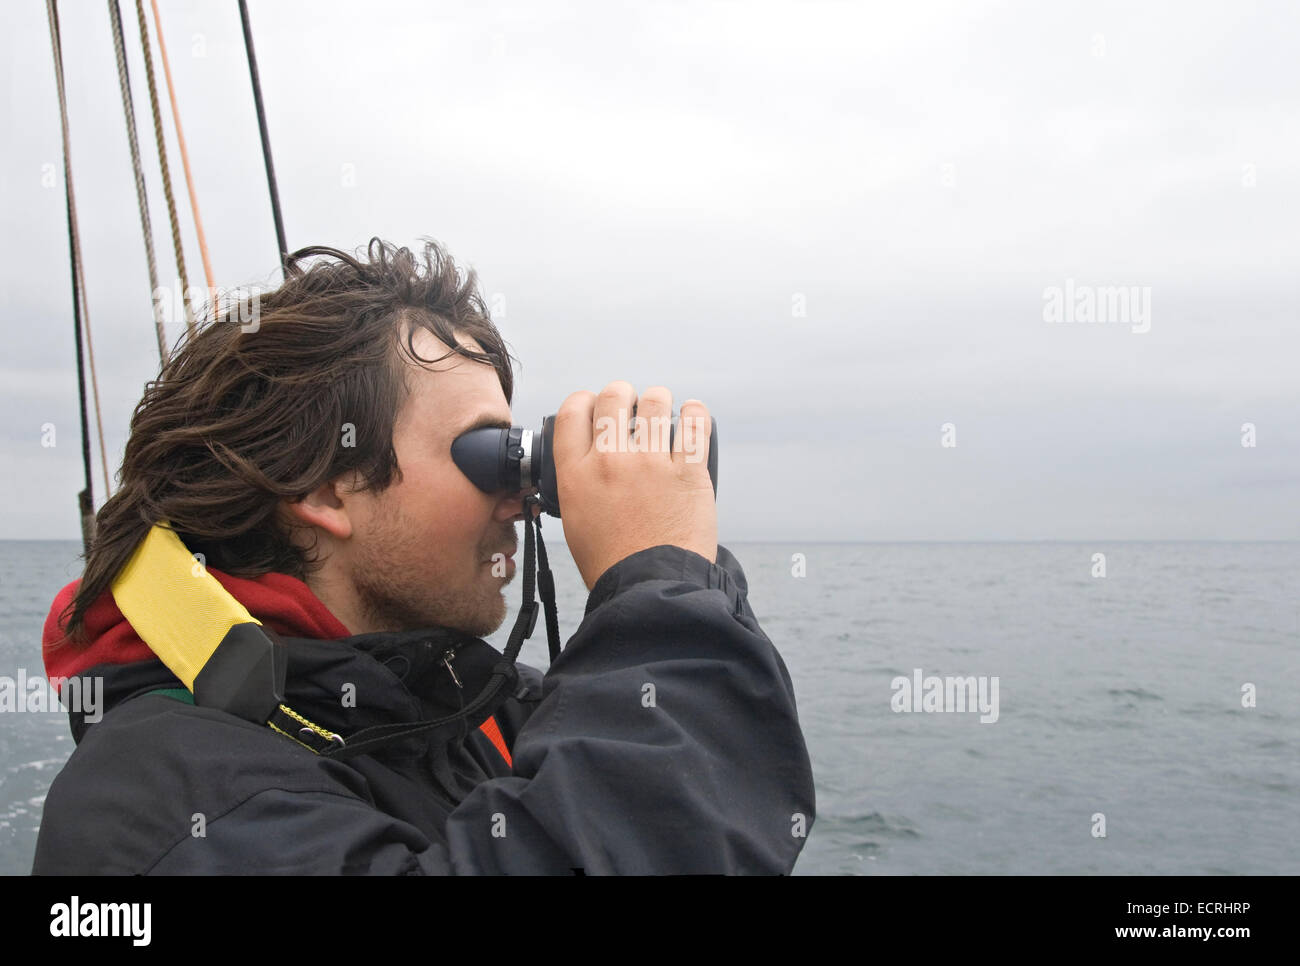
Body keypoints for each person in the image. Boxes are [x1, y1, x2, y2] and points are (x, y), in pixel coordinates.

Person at [32, 238, 815, 874]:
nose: (521, 495)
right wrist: (661, 588)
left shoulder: (463, 711)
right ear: (329, 489)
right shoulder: (158, 803)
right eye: (488, 453)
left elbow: (713, 785)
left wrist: (679, 573)